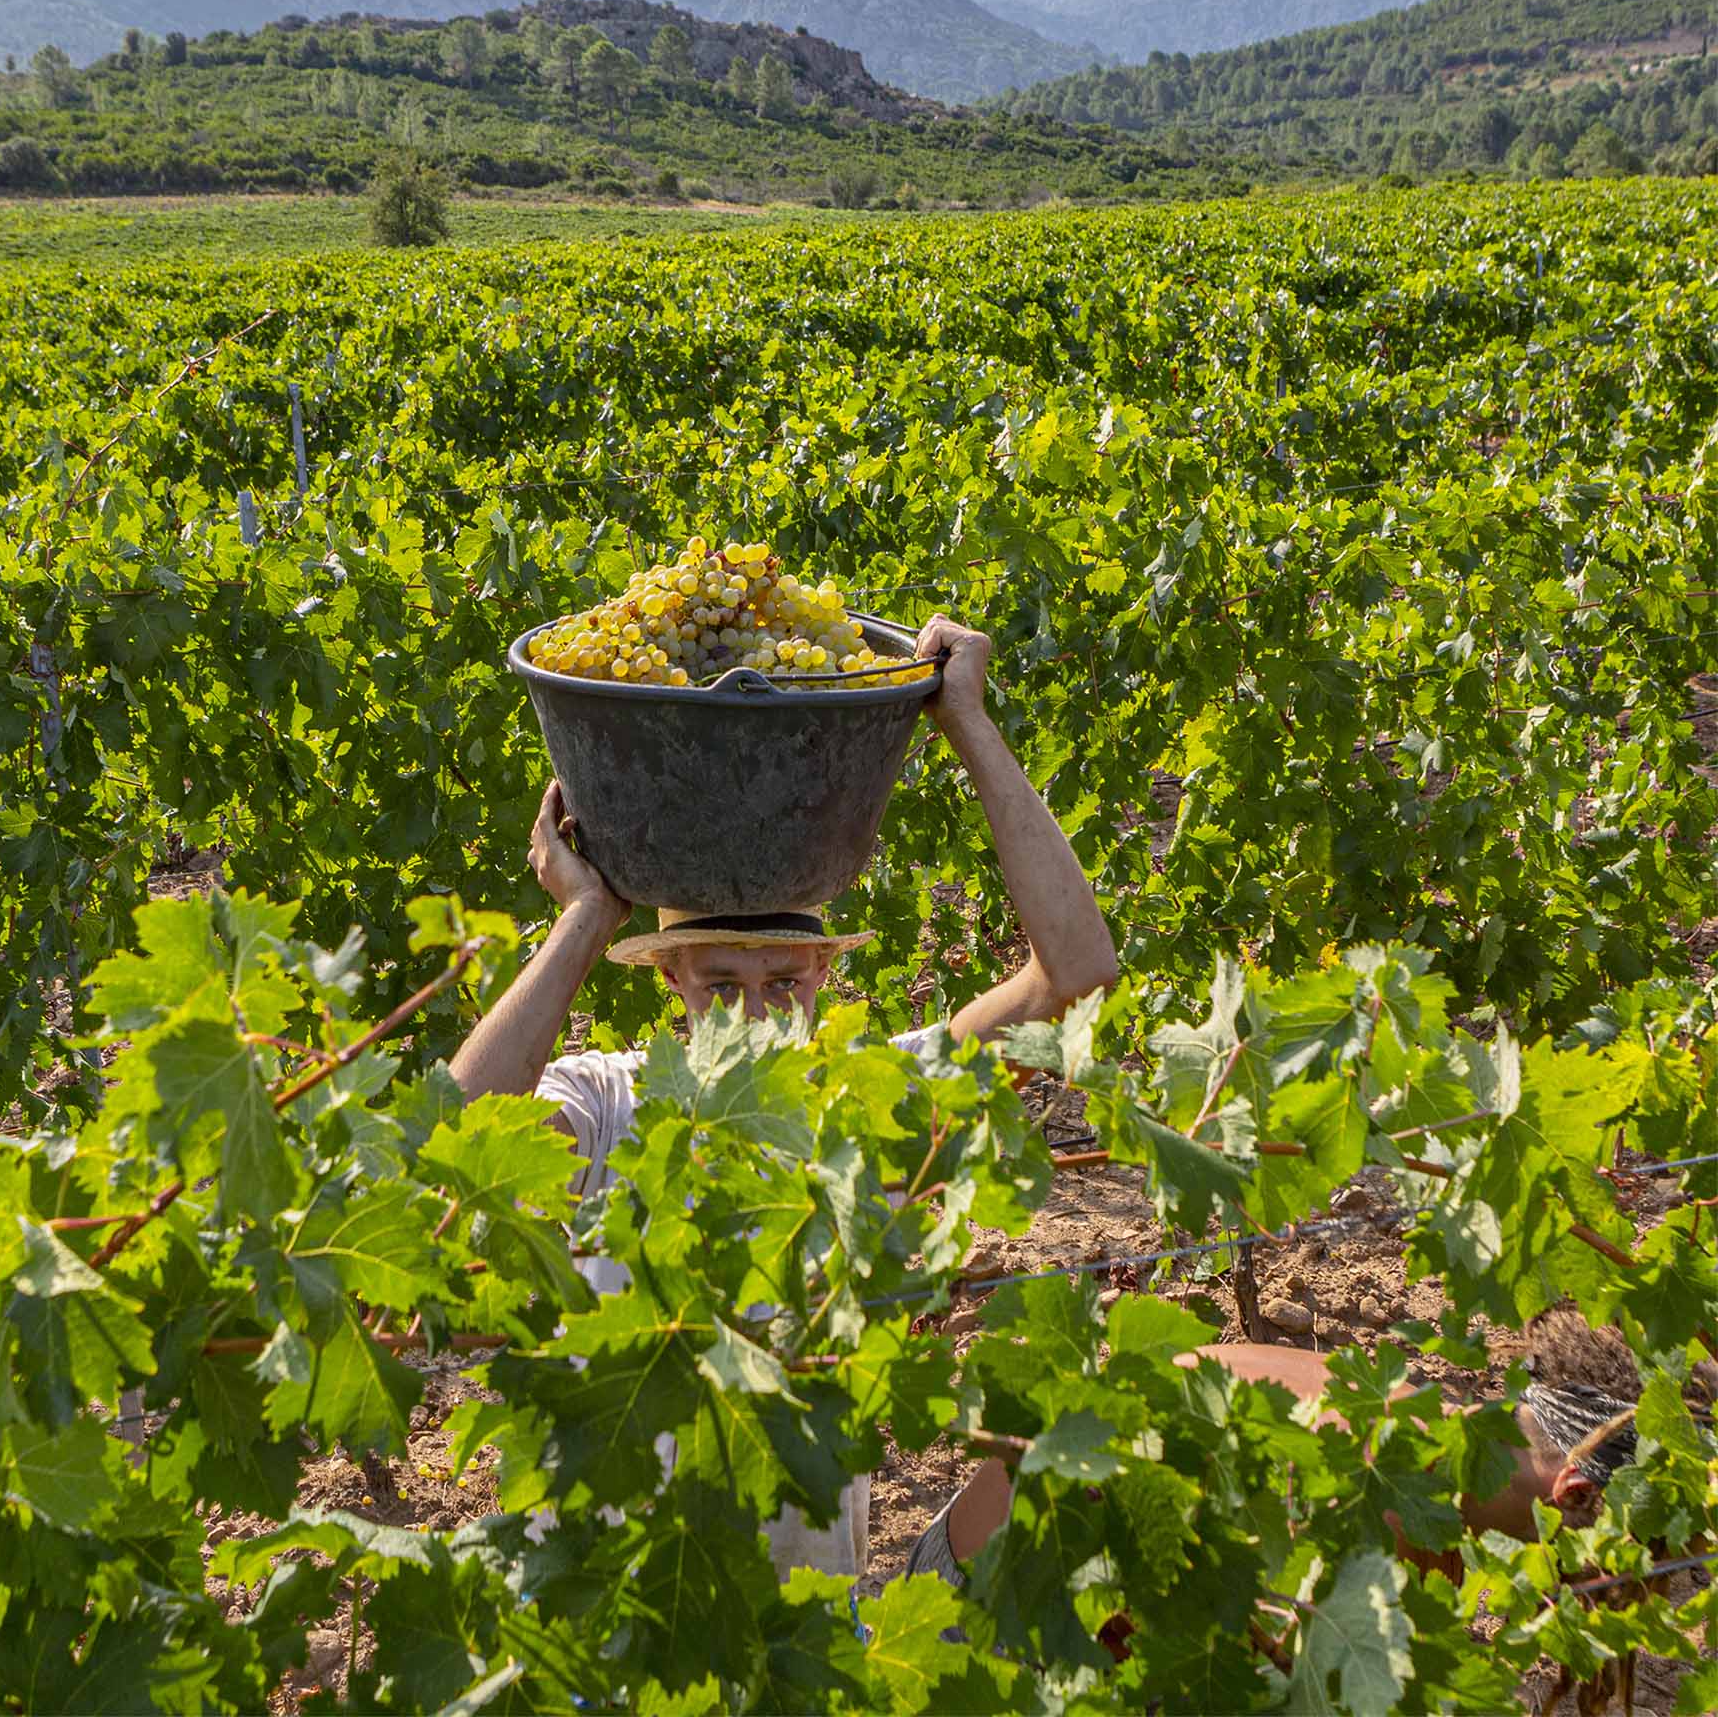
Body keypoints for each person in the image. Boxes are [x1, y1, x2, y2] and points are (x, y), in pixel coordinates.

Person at [451, 614, 1120, 1578]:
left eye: (783, 982)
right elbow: (456, 1144)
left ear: (824, 976)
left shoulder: (868, 1102)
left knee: (1061, 1455)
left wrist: (967, 724)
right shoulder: (606, 1105)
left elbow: (1074, 978)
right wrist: (589, 917)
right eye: (723, 982)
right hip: (613, 1634)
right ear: (672, 983)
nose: (757, 1012)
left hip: (804, 1638)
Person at [902, 1340, 1653, 1598]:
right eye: (1618, 1556)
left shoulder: (1403, 1397)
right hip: (991, 1626)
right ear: (1576, 1494)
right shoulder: (1379, 1513)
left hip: (952, 1547)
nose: (1609, 1580)